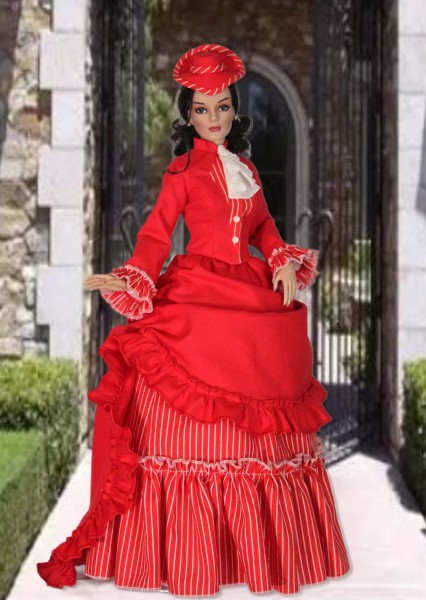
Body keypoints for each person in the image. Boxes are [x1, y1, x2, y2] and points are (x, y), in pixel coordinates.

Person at [37, 43, 351, 595]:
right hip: (196, 288)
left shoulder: (247, 170)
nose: (214, 117)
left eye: (223, 107)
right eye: (203, 109)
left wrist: (280, 259)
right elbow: (158, 233)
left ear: (234, 109)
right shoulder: (182, 171)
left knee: (265, 394)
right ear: (189, 114)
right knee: (180, 403)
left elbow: (263, 227)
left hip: (247, 289)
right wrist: (134, 276)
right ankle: (184, 555)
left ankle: (249, 553)